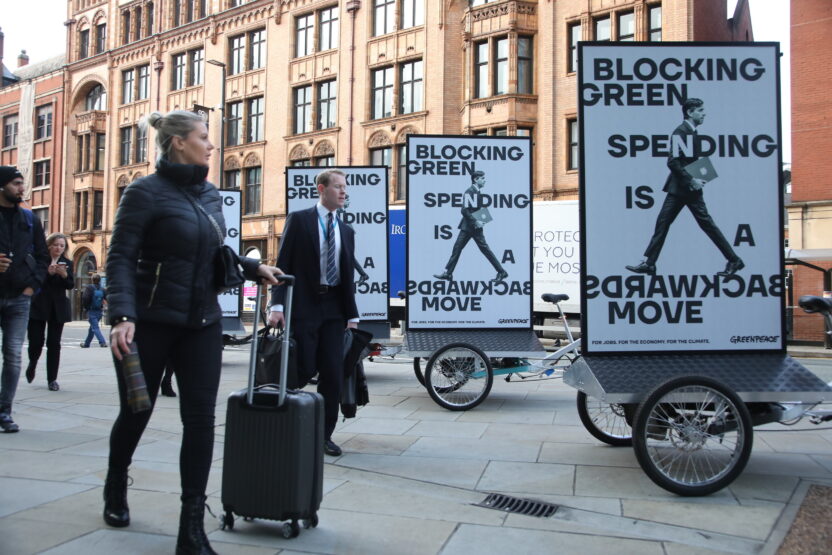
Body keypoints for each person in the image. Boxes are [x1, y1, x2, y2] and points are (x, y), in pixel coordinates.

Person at [104, 110, 283, 554]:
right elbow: (121, 257)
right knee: (136, 411)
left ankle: (191, 524)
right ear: (179, 142)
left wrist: (250, 265)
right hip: (150, 322)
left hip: (201, 321)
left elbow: (213, 250)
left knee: (200, 421)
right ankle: (115, 485)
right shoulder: (144, 193)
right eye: (204, 137)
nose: (211, 145)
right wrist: (123, 315)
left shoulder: (208, 195)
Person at [269, 169, 359, 458]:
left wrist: (352, 315)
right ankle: (289, 425)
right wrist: (277, 305)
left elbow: (346, 276)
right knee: (303, 368)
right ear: (321, 189)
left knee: (332, 374)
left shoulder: (346, 231)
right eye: (338, 187)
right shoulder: (300, 220)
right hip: (305, 306)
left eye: (345, 188)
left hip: (334, 309)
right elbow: (283, 264)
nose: (344, 192)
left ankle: (324, 435)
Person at [625, 98, 744, 276]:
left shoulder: (690, 132)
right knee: (674, 223)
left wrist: (698, 177)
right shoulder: (680, 132)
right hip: (683, 187)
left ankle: (734, 260)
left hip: (685, 188)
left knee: (686, 223)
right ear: (690, 112)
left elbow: (686, 161)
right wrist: (692, 180)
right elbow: (673, 162)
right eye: (701, 110)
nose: (704, 113)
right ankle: (650, 263)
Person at [0, 166, 48, 432]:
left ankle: (4, 411)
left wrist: (32, 287)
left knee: (13, 356)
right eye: (17, 183)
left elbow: (42, 257)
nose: (22, 188)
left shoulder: (30, 219)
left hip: (19, 298)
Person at [433, 170, 508, 282]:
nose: (484, 180)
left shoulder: (476, 192)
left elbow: (474, 209)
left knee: (465, 249)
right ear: (475, 179)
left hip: (472, 227)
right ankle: (448, 273)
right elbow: (464, 210)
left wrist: (482, 220)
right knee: (461, 249)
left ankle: (502, 272)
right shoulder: (470, 192)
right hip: (470, 226)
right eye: (482, 178)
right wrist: (476, 221)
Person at [25, 233, 73, 391]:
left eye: (62, 246)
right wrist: (48, 273)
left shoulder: (67, 263)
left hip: (58, 308)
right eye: (56, 245)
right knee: (36, 342)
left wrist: (64, 275)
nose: (59, 248)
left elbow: (70, 285)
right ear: (49, 245)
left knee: (54, 343)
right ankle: (32, 363)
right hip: (39, 305)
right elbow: (32, 281)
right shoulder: (40, 261)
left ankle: (52, 379)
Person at [80, 274, 107, 348]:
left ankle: (102, 342)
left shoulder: (89, 288)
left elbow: (85, 298)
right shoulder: (102, 289)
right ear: (99, 280)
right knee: (92, 328)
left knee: (95, 328)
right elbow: (106, 298)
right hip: (99, 311)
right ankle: (86, 344)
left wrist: (86, 308)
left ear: (92, 280)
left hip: (91, 311)